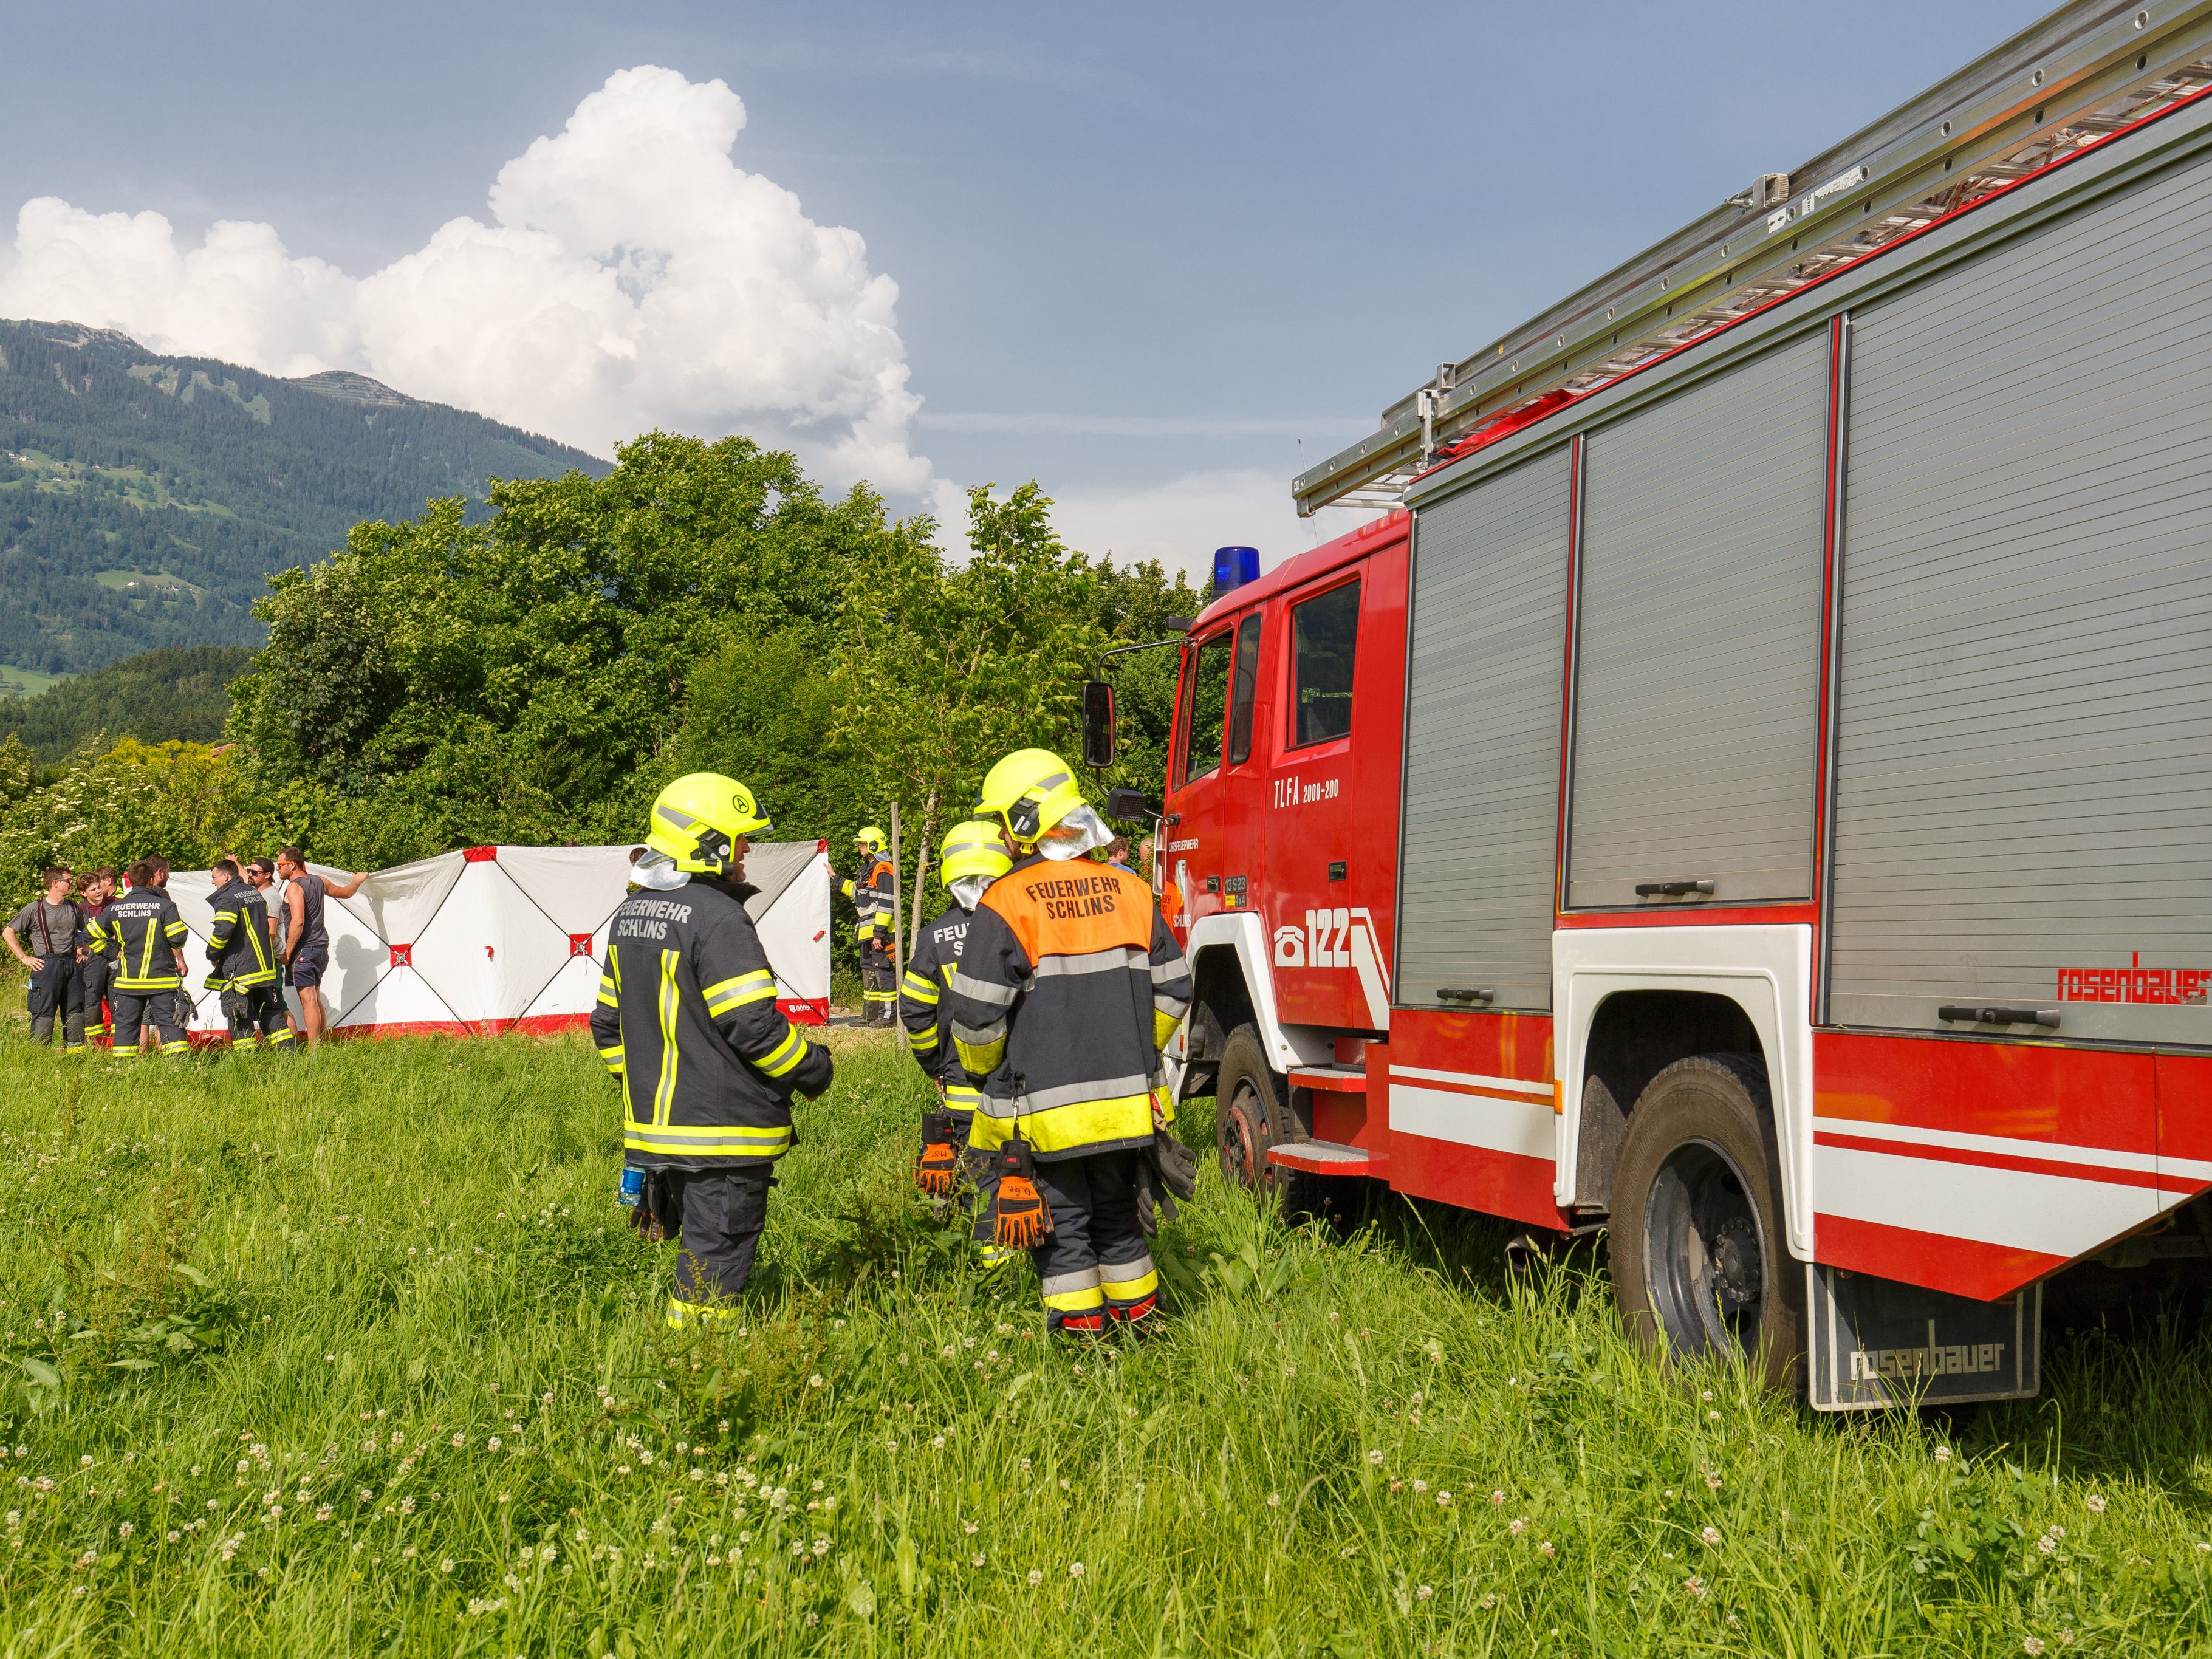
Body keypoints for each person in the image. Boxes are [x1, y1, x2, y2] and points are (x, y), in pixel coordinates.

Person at [946, 749, 1193, 1338]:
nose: (1002, 838)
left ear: (1025, 823)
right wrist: (1135, 1055)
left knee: (1063, 1226)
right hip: (1126, 1110)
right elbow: (1175, 990)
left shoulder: (1005, 902)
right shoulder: (1130, 891)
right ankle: (1139, 1332)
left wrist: (987, 1074)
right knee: (1118, 1222)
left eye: (1005, 823)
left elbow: (977, 1022)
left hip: (1045, 1116)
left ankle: (1086, 1350)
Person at [591, 773, 835, 1326]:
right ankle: (701, 1372)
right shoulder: (719, 917)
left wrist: (643, 1088)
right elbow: (754, 1028)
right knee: (715, 1261)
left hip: (659, 1134)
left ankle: (692, 1358)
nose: (747, 849)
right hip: (721, 1135)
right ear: (708, 842)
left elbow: (607, 1024)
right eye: (739, 838)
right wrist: (813, 1069)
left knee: (701, 1253)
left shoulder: (629, 914)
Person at [899, 819, 1016, 1268]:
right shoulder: (1024, 925)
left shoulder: (932, 939)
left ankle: (994, 1267)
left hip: (965, 1087)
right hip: (1029, 1087)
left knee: (982, 1176)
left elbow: (914, 1012)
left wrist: (934, 1065)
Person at [87, 860, 191, 1056]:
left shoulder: (115, 908)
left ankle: (124, 1069)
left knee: (126, 1027)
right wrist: (178, 955)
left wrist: (113, 953)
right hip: (160, 980)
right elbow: (177, 937)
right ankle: (179, 1066)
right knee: (170, 1024)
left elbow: (90, 934)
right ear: (151, 881)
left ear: (132, 881)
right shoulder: (165, 906)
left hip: (128, 982)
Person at [272, 849, 366, 1048]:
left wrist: (288, 952)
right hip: (321, 947)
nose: (277, 869)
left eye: (280, 865)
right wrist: (358, 880)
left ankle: (314, 1051)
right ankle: (323, 1044)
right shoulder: (319, 881)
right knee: (315, 997)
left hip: (303, 949)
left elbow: (297, 921)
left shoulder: (294, 888)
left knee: (308, 999)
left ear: (292, 865)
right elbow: (347, 893)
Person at [205, 857, 290, 1049]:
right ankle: (289, 1054)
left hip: (241, 970)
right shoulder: (254, 893)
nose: (213, 882)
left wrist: (212, 954)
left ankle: (245, 1060)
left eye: (214, 877)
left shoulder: (226, 898)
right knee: (270, 1012)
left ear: (225, 877)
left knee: (238, 1015)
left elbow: (223, 930)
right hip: (263, 968)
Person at [5, 866, 86, 1051]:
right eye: (69, 881)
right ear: (55, 883)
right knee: (44, 1010)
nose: (72, 884)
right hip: (46, 966)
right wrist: (24, 958)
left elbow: (89, 932)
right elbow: (9, 932)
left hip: (72, 964)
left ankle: (76, 1053)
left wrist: (85, 951)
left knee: (76, 1009)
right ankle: (40, 1053)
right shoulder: (35, 908)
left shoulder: (74, 907)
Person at [837, 827, 898, 1024]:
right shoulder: (865, 868)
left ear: (874, 844)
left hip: (881, 932)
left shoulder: (884, 868)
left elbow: (887, 902)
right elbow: (856, 892)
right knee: (868, 970)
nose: (860, 847)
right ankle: (869, 1016)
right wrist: (834, 877)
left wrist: (879, 934)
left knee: (883, 970)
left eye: (863, 843)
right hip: (867, 931)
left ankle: (889, 1016)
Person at [75, 867, 117, 1046]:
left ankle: (118, 1040)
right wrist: (77, 949)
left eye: (99, 887)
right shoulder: (79, 910)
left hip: (115, 957)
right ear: (83, 893)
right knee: (92, 999)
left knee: (117, 998)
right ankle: (95, 1043)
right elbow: (70, 933)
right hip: (92, 960)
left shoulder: (115, 904)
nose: (98, 891)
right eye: (93, 890)